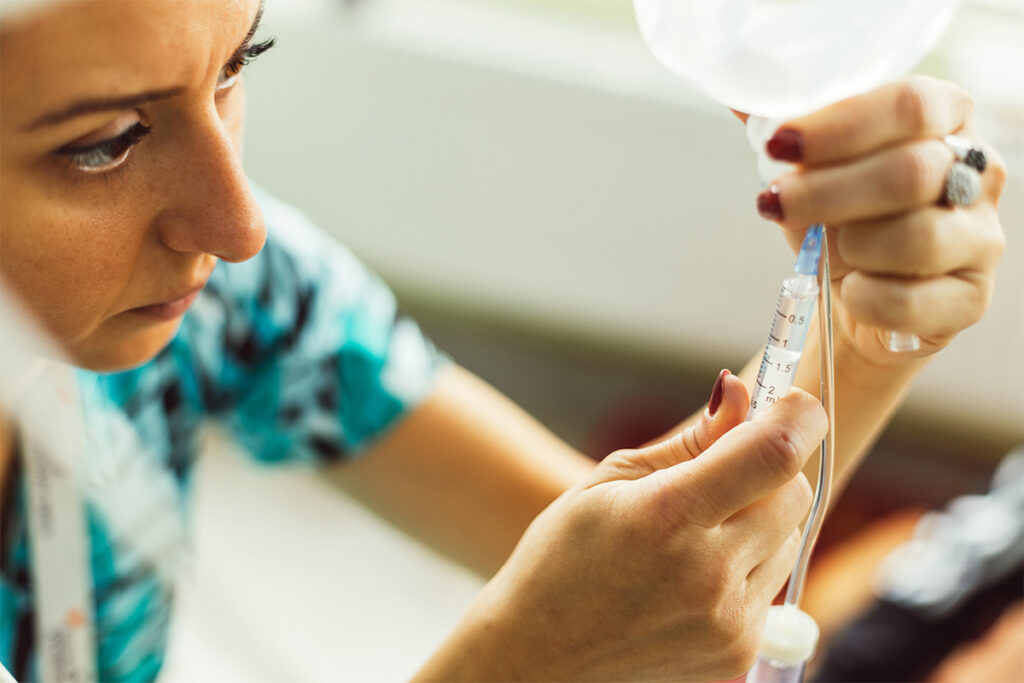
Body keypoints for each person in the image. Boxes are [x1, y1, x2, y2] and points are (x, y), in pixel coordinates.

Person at [0, 0, 1006, 681]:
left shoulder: (222, 304)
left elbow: (645, 578)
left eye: (235, 65)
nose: (236, 224)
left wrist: (861, 316)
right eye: (104, 143)